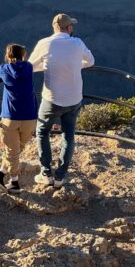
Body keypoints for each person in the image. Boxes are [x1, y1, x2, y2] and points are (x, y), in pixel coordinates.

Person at [28, 13, 94, 187]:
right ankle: (60, 176)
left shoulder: (44, 43)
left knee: (42, 132)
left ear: (54, 27)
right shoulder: (77, 43)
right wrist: (73, 64)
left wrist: (49, 65)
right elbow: (91, 61)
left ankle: (46, 173)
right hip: (74, 99)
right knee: (68, 136)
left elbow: (30, 67)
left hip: (51, 99)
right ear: (69, 28)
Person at [0, 43, 38, 192]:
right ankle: (1, 175)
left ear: (7, 56)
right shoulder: (29, 67)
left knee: (12, 151)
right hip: (30, 116)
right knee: (17, 149)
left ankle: (14, 182)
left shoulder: (3, 69)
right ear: (23, 55)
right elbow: (23, 66)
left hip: (11, 117)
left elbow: (0, 73)